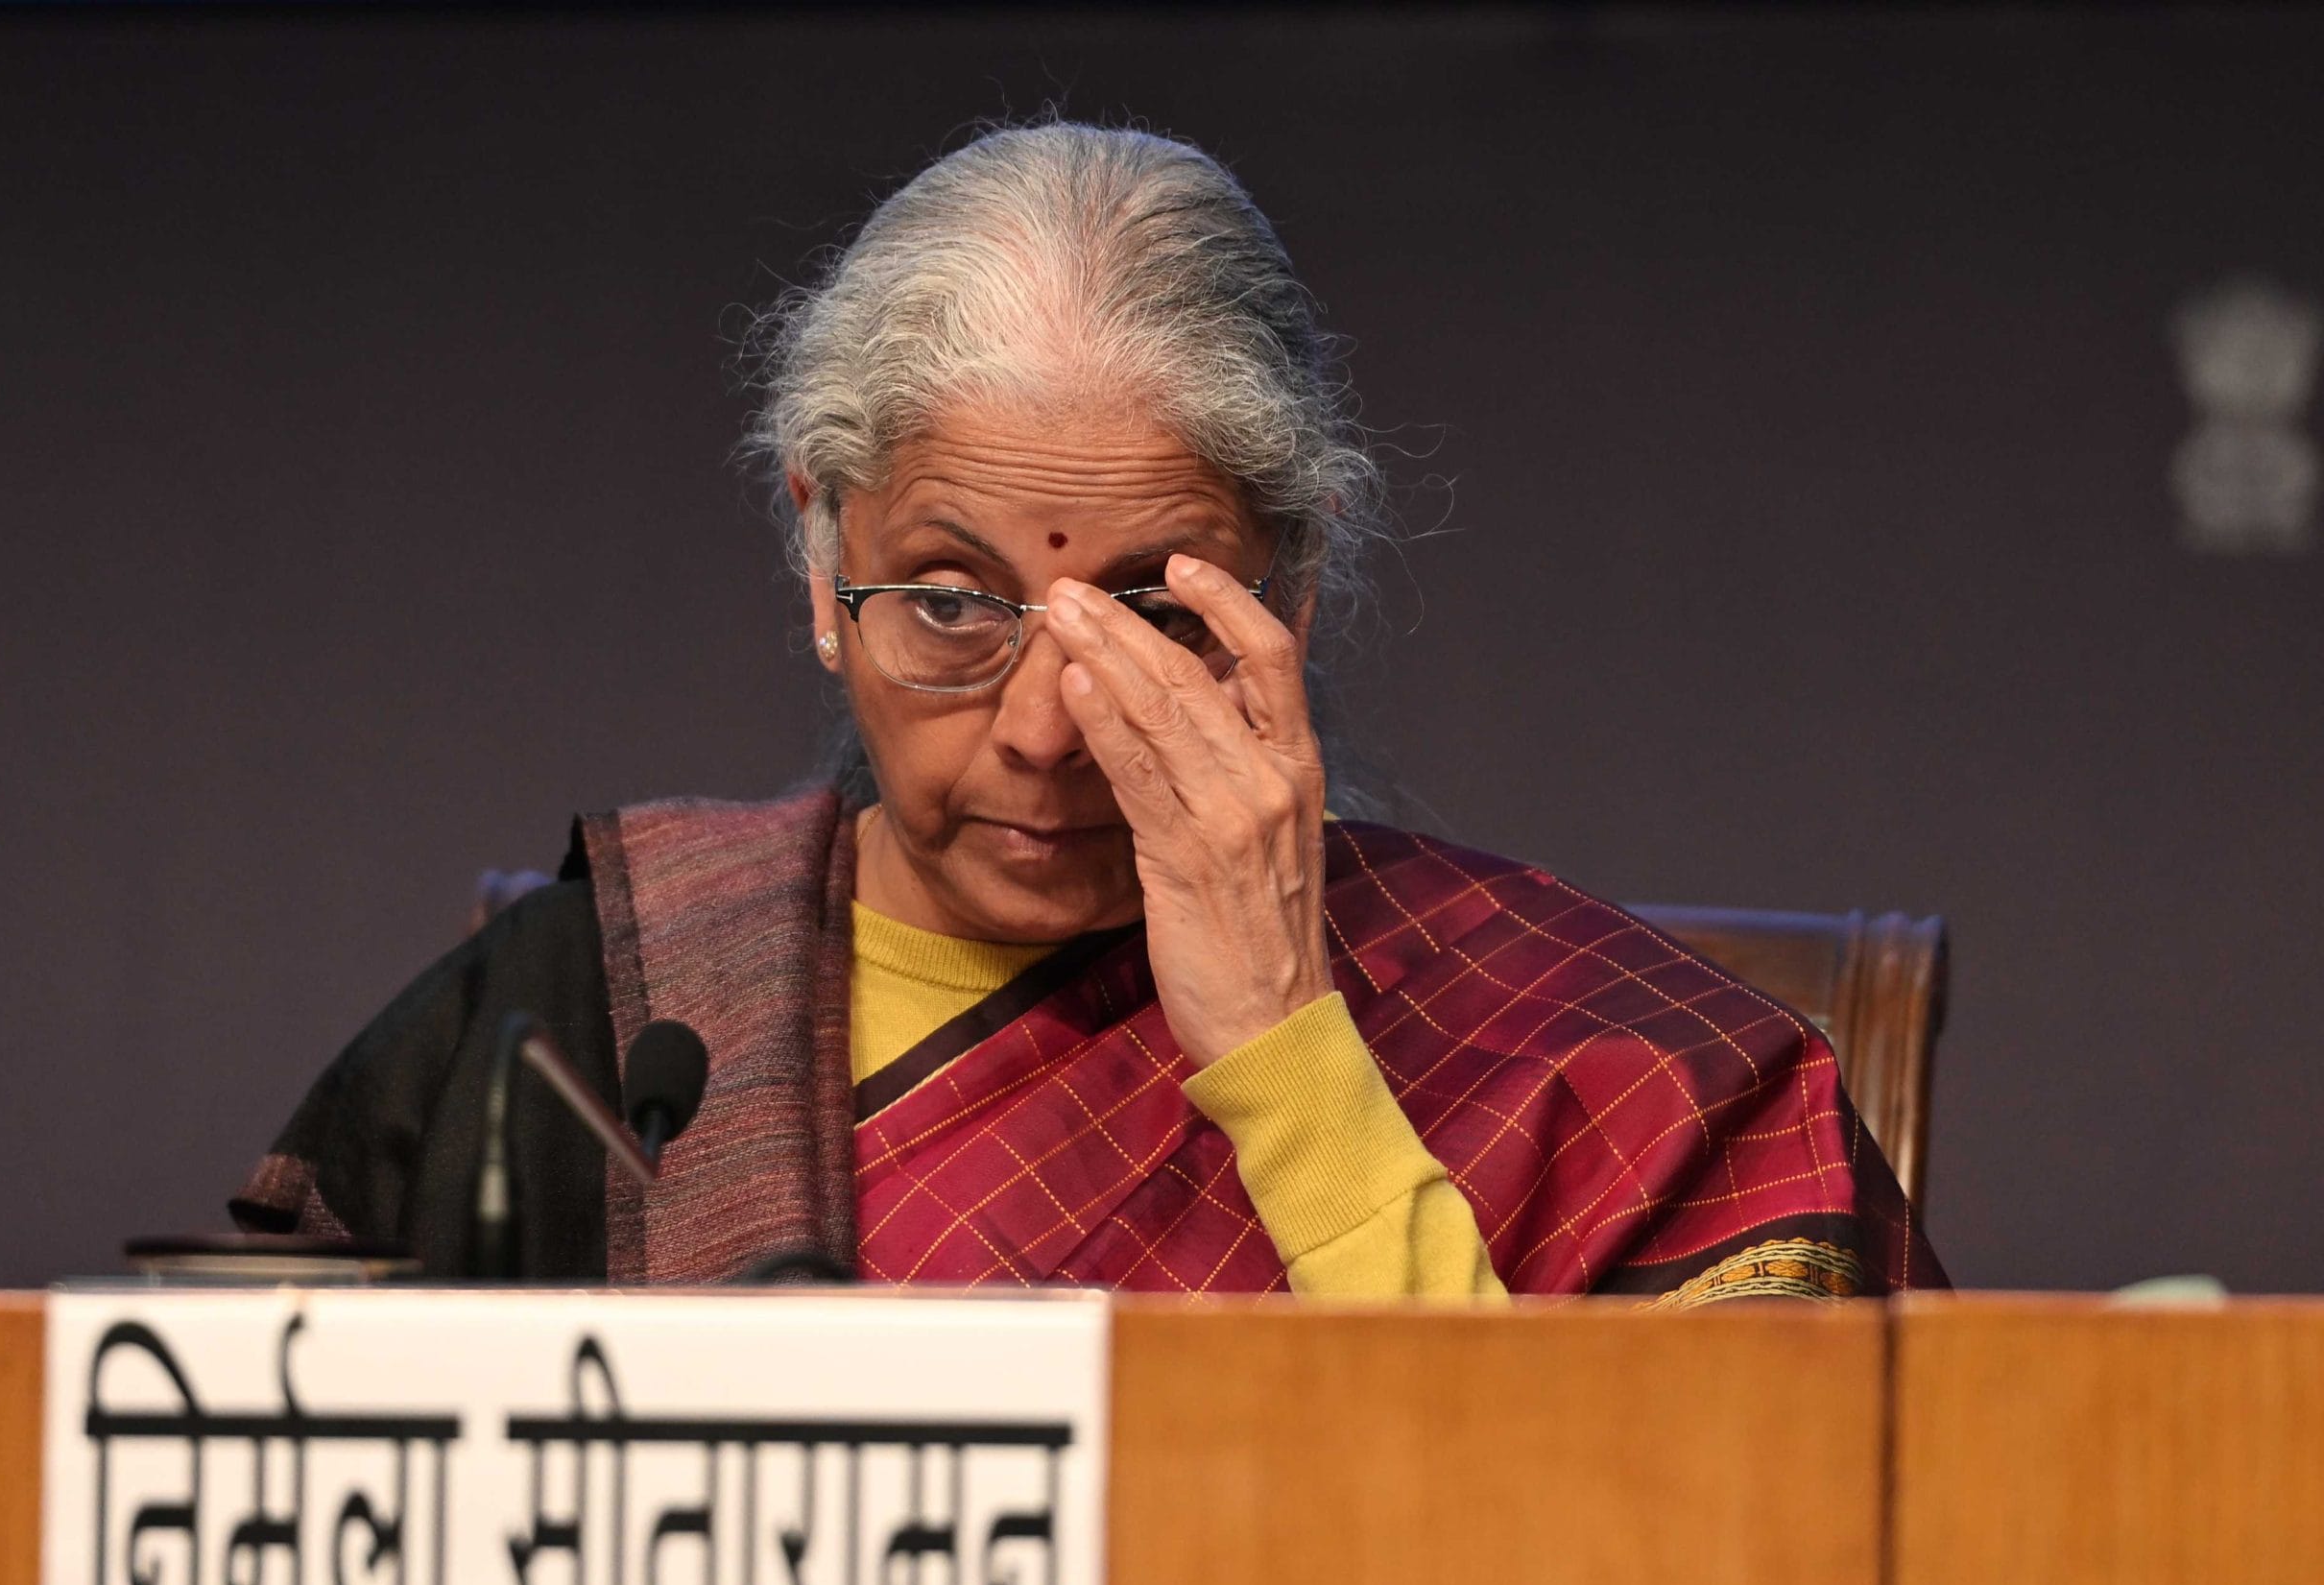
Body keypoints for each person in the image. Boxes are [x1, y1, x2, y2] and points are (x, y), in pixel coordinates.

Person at [234, 121, 1945, 1302]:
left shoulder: (1600, 1070)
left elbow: (1708, 1556)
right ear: (817, 553)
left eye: (1146, 617)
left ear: (1295, 584)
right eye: (956, 604)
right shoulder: (597, 1024)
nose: (1049, 730)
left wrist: (1288, 1050)